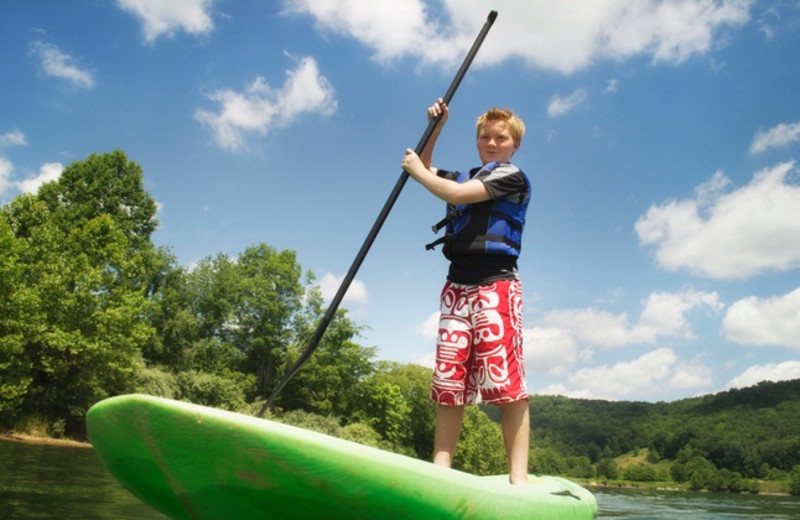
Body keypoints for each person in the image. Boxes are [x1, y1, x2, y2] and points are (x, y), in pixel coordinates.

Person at [401, 98, 531, 486]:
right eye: (485, 137)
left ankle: (518, 480)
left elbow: (450, 193)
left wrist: (416, 172)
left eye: (500, 138)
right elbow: (425, 166)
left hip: (497, 286)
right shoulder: (464, 175)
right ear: (477, 141)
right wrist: (436, 125)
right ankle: (441, 473)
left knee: (506, 385)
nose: (492, 143)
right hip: (456, 288)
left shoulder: (512, 177)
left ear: (514, 144)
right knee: (448, 382)